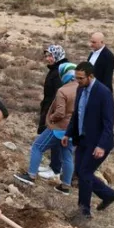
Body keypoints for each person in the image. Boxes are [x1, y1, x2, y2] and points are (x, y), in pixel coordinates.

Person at [64, 62, 114, 218]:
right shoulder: (80, 89)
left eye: (80, 78)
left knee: (85, 173)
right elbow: (77, 114)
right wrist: (68, 134)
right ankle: (108, 195)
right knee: (81, 172)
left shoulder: (104, 93)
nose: (77, 81)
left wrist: (101, 145)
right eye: (76, 78)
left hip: (98, 142)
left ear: (91, 76)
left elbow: (108, 123)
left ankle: (84, 211)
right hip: (83, 139)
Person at [15, 62, 77, 194]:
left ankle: (31, 176)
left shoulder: (63, 90)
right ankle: (65, 186)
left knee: (37, 146)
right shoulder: (82, 90)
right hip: (73, 130)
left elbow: (60, 113)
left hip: (59, 128)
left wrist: (51, 119)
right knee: (67, 156)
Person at [37, 45, 69, 180]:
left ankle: (56, 169)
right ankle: (53, 165)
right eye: (46, 56)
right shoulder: (55, 69)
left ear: (57, 56)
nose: (47, 58)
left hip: (55, 109)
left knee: (55, 138)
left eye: (50, 56)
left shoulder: (59, 71)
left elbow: (59, 94)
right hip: (49, 107)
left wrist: (53, 113)